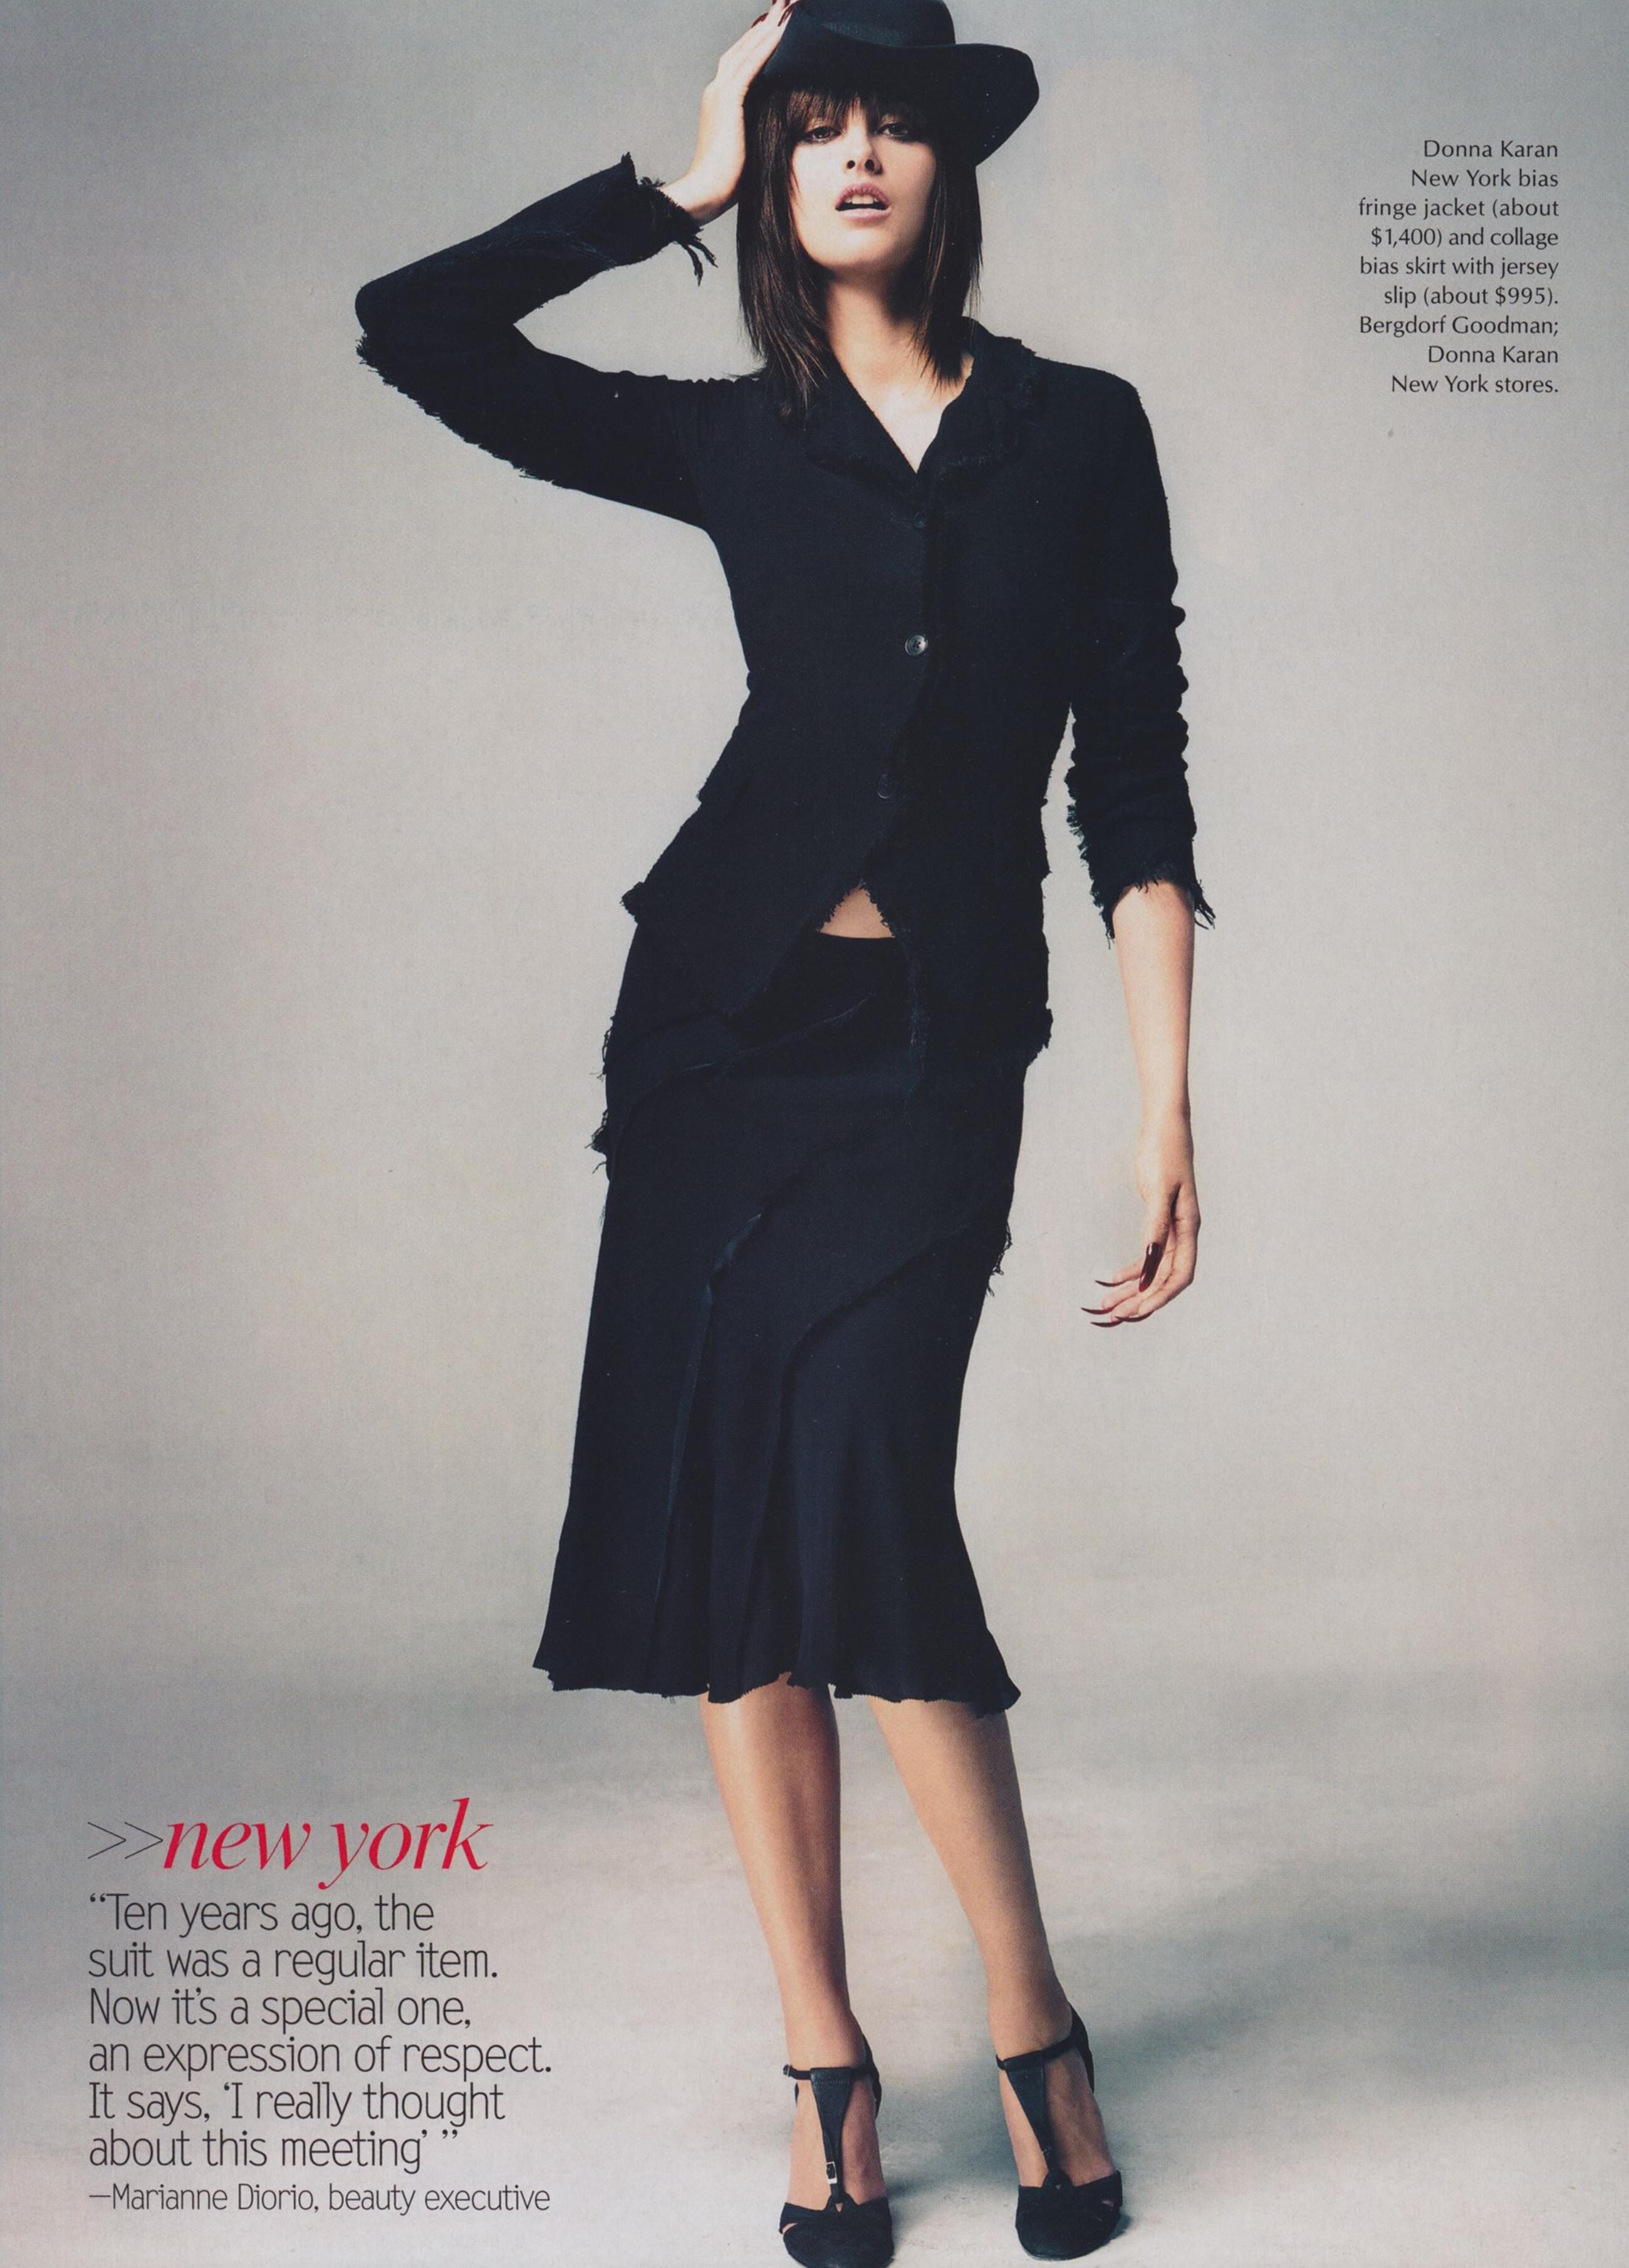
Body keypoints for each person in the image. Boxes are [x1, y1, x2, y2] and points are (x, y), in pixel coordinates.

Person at [353, 3, 1211, 2259]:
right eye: (812, 125)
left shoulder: (1081, 433)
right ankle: (823, 2061)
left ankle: (1032, 2023)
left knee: (866, 1498)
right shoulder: (739, 436)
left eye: (889, 123)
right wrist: (673, 184)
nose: (851, 156)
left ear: (948, 167)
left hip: (937, 1057)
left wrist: (1169, 1103)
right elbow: (414, 329)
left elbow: (1136, 776)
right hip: (720, 1046)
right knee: (736, 1542)